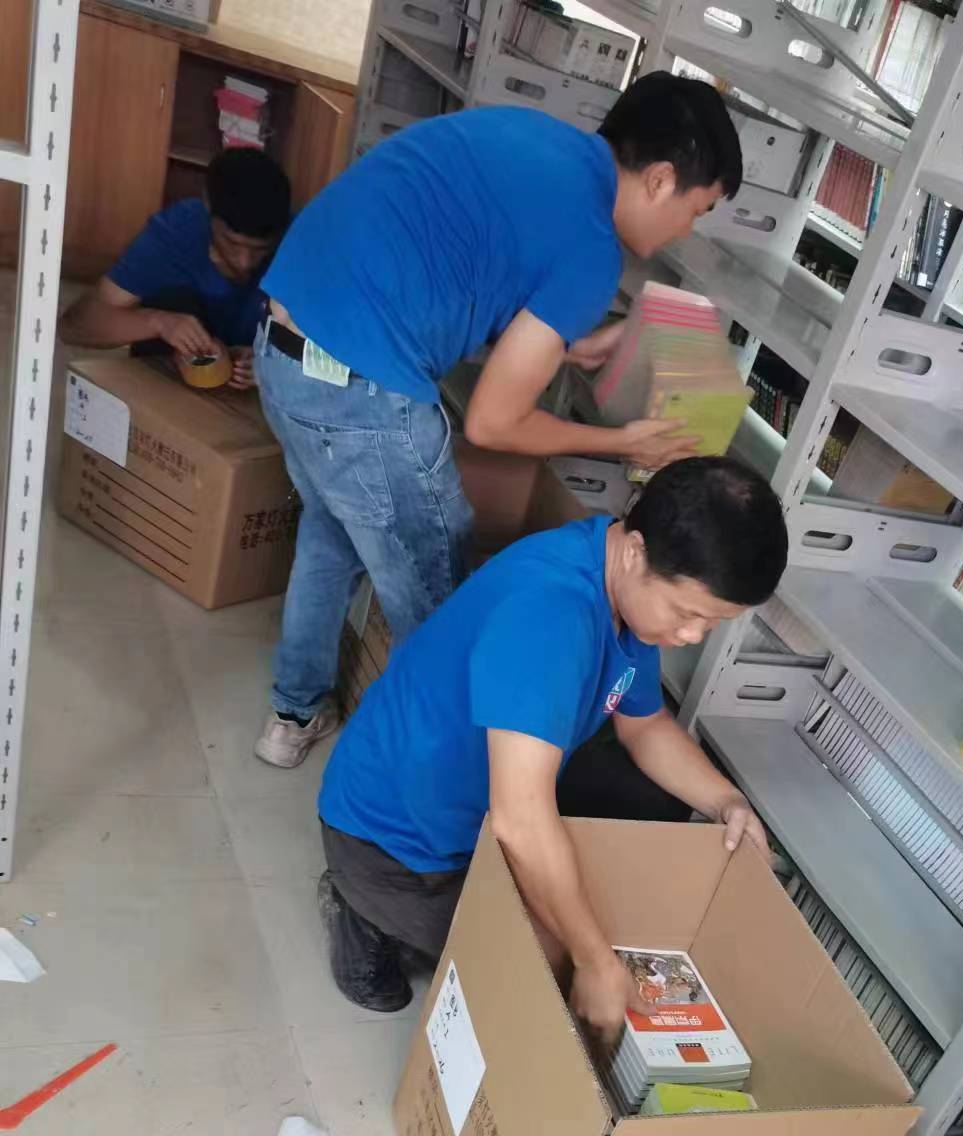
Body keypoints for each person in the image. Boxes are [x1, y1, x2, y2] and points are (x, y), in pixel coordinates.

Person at [251, 71, 743, 770]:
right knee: (444, 609)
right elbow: (492, 424)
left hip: (283, 349)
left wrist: (566, 347)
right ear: (661, 179)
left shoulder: (536, 140)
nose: (686, 231)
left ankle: (293, 713)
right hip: (361, 392)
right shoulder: (592, 247)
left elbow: (462, 270)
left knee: (332, 538)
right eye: (698, 210)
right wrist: (621, 442)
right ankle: (421, 789)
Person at [315, 457, 787, 1041]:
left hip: (484, 800)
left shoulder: (623, 587)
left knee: (644, 810)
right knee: (544, 975)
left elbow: (645, 726)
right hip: (394, 840)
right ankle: (361, 915)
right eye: (687, 614)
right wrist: (592, 960)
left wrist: (725, 801)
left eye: (711, 624)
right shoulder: (550, 617)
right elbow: (520, 821)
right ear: (636, 551)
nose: (691, 636)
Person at [58, 149, 291, 390]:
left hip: (257, 397)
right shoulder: (176, 234)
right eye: (232, 243)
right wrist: (158, 322)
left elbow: (316, 358)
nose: (245, 262)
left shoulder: (298, 247)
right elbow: (75, 326)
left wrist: (276, 365)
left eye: (260, 249)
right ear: (207, 206)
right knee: (171, 299)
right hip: (170, 385)